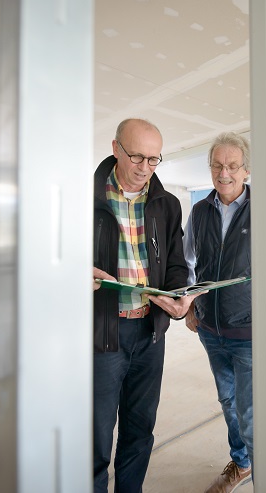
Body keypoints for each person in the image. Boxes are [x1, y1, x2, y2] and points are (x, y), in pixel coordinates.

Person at [92, 118, 196, 493]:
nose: (144, 167)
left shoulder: (167, 204)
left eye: (154, 159)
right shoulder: (85, 200)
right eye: (136, 156)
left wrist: (178, 298)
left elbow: (174, 264)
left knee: (140, 428)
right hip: (102, 331)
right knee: (96, 432)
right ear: (116, 148)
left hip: (150, 333)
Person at [183, 132, 253, 493]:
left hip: (249, 331)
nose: (224, 173)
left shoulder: (264, 210)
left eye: (232, 165)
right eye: (217, 165)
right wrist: (192, 304)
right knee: (228, 401)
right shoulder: (198, 212)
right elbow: (188, 263)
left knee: (251, 411)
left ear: (246, 169)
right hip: (211, 331)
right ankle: (242, 464)